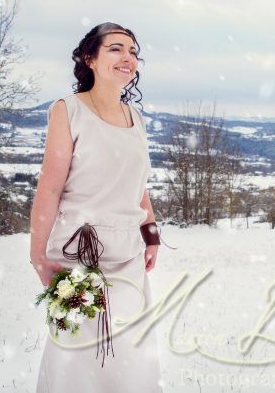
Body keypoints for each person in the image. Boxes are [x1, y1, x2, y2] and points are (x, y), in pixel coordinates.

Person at [30, 22, 163, 392]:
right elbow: (50, 188)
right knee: (75, 364)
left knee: (131, 363)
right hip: (79, 257)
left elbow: (138, 186)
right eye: (116, 48)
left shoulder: (135, 118)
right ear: (89, 58)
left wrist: (151, 234)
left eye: (133, 51)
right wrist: (37, 255)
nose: (128, 57)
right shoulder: (68, 110)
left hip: (128, 258)